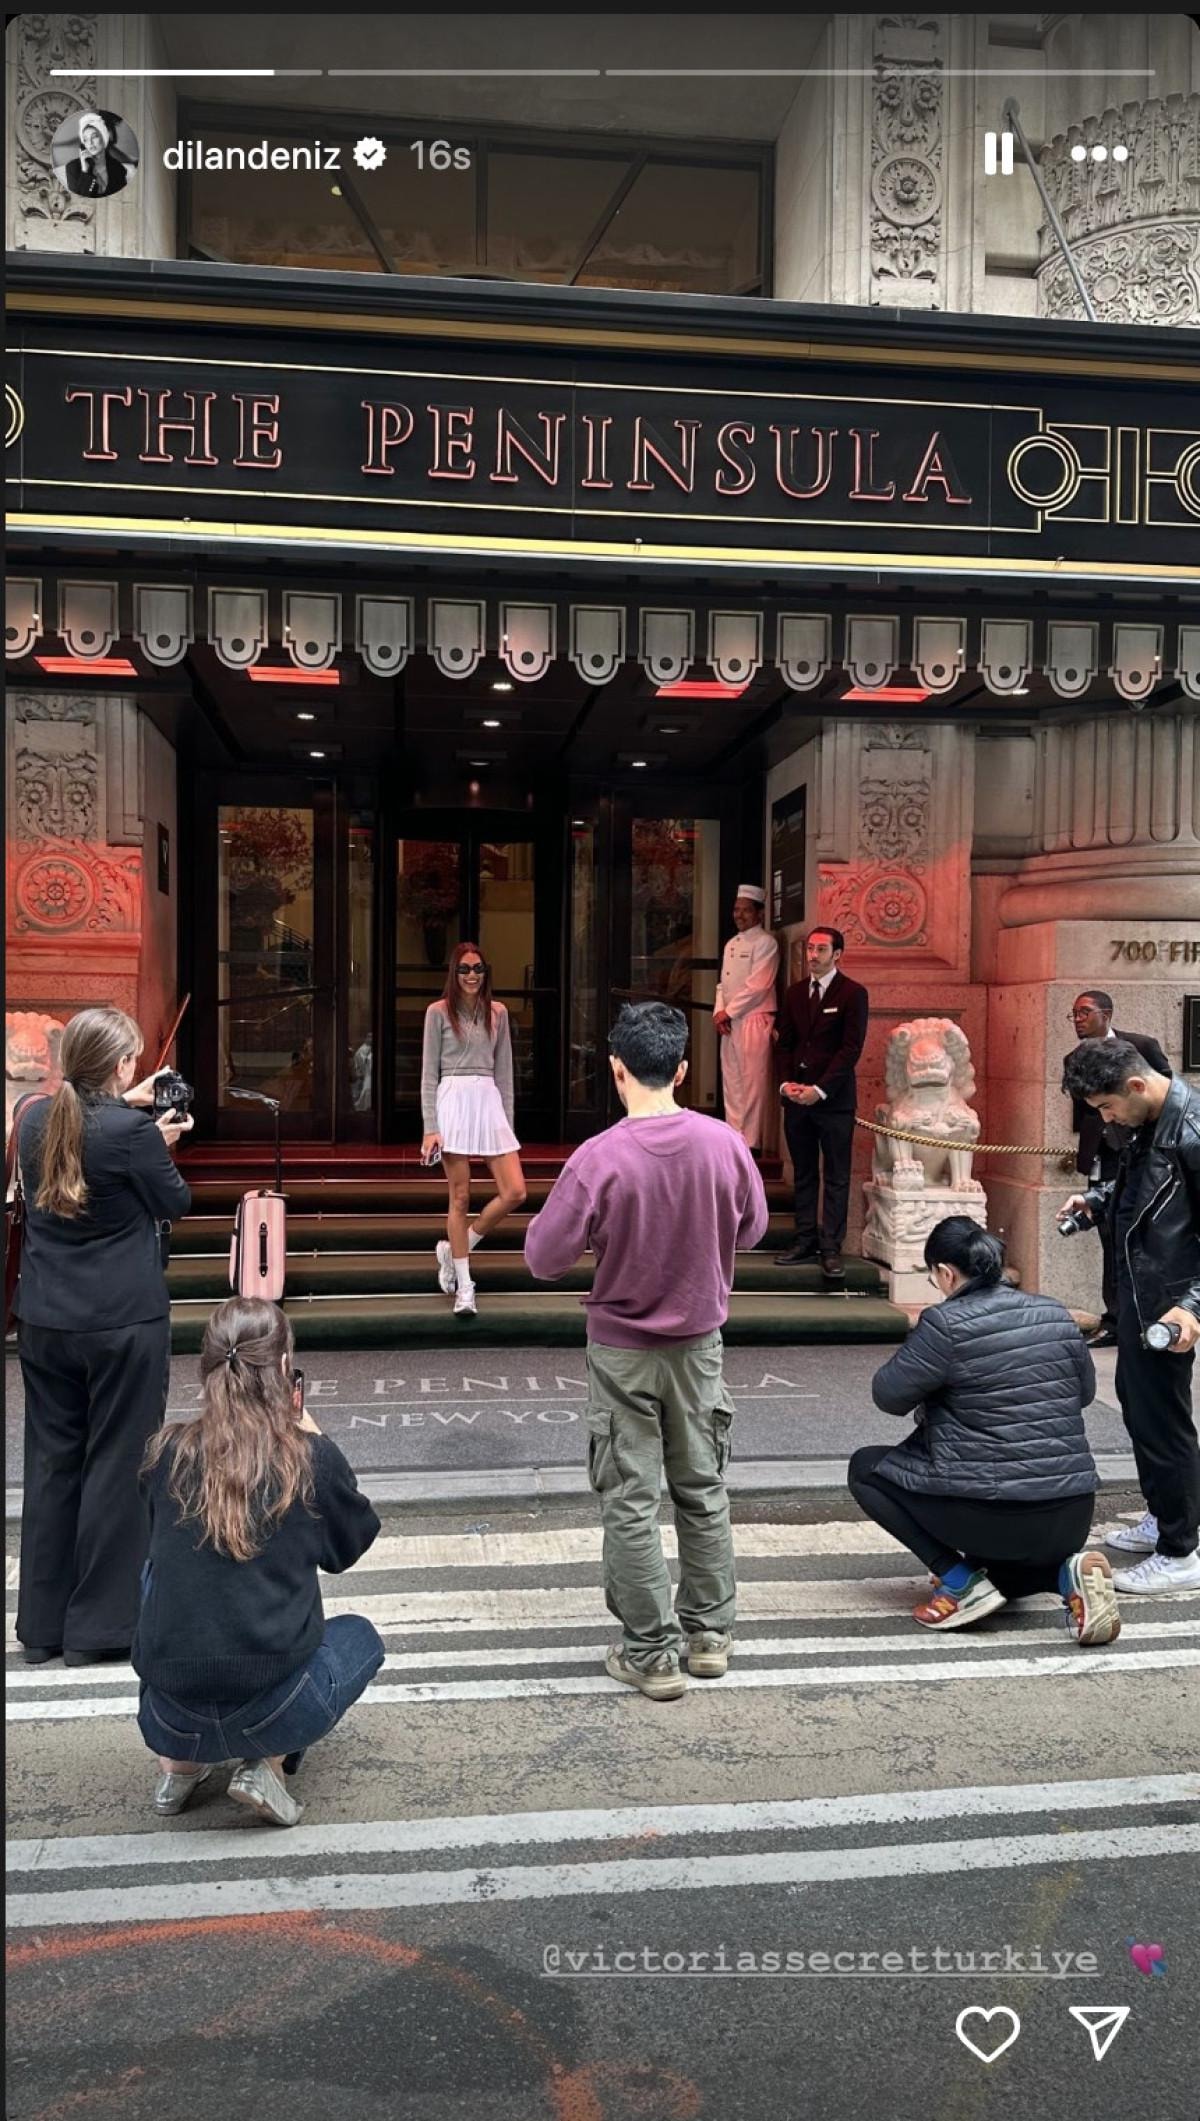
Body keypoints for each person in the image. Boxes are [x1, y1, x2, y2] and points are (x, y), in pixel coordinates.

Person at [524, 1001, 769, 1700]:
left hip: (622, 1350)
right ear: (683, 1070)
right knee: (702, 1486)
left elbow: (544, 1257)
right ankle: (710, 1636)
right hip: (699, 1347)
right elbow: (751, 1230)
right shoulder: (724, 1143)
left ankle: (651, 1653)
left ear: (616, 1069)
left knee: (630, 1500)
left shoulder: (598, 1158)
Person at [134, 1296, 383, 1826]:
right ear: (285, 1369)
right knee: (359, 1637)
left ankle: (179, 1766)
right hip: (277, 1709)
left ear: (206, 1367)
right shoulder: (308, 1459)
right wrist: (314, 1435)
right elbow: (349, 1547)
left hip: (167, 1718)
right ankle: (266, 1764)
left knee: (159, 1580)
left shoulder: (165, 1453)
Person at [12, 1007, 192, 1667]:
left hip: (45, 1318)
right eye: (131, 1059)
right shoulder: (131, 1134)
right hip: (121, 1319)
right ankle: (101, 1628)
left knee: (53, 1464)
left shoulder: (34, 1118)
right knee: (118, 1464)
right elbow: (175, 1202)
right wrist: (157, 1138)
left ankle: (42, 1627)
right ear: (119, 1065)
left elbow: (83, 1125)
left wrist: (127, 1103)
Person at [848, 1219, 1119, 1643]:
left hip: (993, 1513)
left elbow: (888, 1395)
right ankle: (1067, 1575)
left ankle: (959, 1582)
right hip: (1072, 1512)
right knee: (1001, 1579)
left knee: (865, 1468)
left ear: (945, 1273)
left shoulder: (945, 1323)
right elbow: (1082, 1394)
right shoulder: (1054, 1312)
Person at [1060, 1039, 1200, 1592]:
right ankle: (1165, 1517)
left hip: (1169, 1306)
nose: (1106, 1119)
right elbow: (1143, 1188)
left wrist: (1191, 1307)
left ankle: (1181, 1550)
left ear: (1136, 1086)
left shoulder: (1191, 1131)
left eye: (1106, 1107)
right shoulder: (1153, 1120)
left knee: (1163, 1421)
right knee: (1143, 1411)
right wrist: (1096, 1202)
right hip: (1142, 1300)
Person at [421, 941, 527, 1317]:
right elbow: (428, 1074)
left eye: (478, 969)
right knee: (460, 1197)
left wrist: (507, 1124)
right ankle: (465, 1285)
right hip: (452, 1099)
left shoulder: (498, 1012)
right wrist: (430, 1127)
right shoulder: (437, 1013)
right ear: (454, 973)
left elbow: (505, 1073)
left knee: (515, 1191)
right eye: (464, 969)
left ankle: (456, 1246)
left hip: (488, 1099)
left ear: (485, 973)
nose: (471, 975)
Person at [1061, 992, 1170, 1348]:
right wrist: (1099, 1195)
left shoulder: (1142, 1048)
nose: (1078, 1019)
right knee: (1113, 1239)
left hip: (1167, 1312)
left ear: (1106, 1014)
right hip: (1106, 1161)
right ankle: (1117, 1319)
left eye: (1085, 1012)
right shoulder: (1074, 1060)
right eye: (1074, 1013)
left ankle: (1135, 1319)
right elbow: (1085, 1116)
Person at [774, 925, 869, 1280]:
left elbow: (850, 1049)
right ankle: (804, 1240)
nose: (812, 956)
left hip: (834, 1102)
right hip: (797, 1100)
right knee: (804, 1173)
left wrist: (821, 1089)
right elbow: (784, 1043)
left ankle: (831, 1247)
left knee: (837, 1176)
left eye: (821, 950)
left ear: (837, 954)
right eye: (810, 949)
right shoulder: (795, 993)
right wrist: (786, 1083)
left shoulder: (853, 994)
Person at [713, 885, 779, 1157]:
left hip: (753, 1018)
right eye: (736, 909)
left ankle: (751, 1143)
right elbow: (723, 984)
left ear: (759, 913)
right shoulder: (731, 943)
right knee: (732, 1081)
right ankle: (733, 1136)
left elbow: (758, 985)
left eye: (746, 910)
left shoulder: (766, 943)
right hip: (730, 1020)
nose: (739, 915)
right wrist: (719, 1011)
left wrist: (729, 1011)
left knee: (752, 1082)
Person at [59, 112, 131, 198]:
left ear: (104, 138)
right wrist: (85, 171)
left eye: (94, 137)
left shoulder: (119, 169)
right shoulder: (72, 168)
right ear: (83, 145)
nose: (90, 143)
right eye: (85, 139)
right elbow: (79, 199)